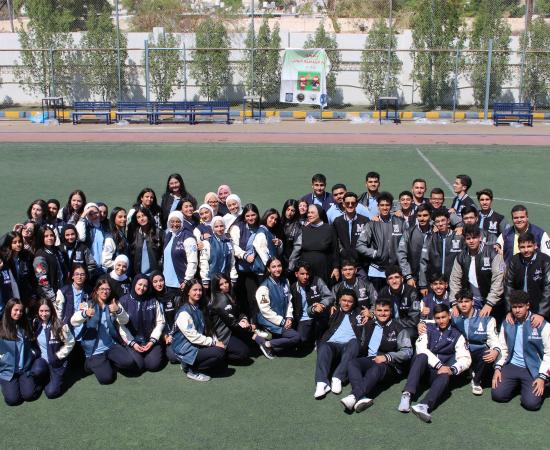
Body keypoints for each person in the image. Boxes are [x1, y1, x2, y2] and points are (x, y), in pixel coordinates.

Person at [397, 303, 471, 422]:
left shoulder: (457, 335)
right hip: (422, 370)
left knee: (446, 374)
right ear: (434, 318)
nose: (441, 321)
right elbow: (421, 348)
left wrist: (452, 369)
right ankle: (407, 395)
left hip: (436, 375)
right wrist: (439, 365)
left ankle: (424, 406)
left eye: (443, 317)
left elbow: (466, 359)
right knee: (422, 356)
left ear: (449, 316)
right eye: (438, 318)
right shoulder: (426, 327)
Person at [342, 297, 413, 412]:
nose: (382, 313)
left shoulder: (399, 328)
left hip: (391, 365)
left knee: (377, 367)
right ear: (374, 311)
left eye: (386, 310)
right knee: (353, 363)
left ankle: (354, 396)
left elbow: (407, 352)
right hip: (371, 359)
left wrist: (387, 357)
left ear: (391, 311)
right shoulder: (369, 324)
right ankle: (361, 398)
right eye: (379, 310)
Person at [70, 278, 137, 384]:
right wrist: (85, 314)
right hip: (95, 351)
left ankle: (109, 361)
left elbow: (125, 320)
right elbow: (73, 321)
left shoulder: (113, 304)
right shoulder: (88, 305)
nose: (105, 292)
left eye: (107, 289)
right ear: (96, 290)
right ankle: (89, 364)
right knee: (106, 378)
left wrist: (118, 310)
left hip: (111, 345)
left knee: (129, 363)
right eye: (102, 289)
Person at [492, 290, 550, 411]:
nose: (517, 310)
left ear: (527, 305)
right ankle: (518, 385)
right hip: (512, 365)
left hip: (533, 368)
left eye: (520, 307)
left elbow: (549, 353)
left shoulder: (542, 324)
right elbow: (503, 347)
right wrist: (498, 368)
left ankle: (531, 386)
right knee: (498, 395)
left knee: (531, 404)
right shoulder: (507, 322)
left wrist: (542, 377)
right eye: (514, 307)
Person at [171, 279, 226, 382]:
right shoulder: (184, 312)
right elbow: (193, 336)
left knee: (221, 359)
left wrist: (216, 341)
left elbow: (209, 329)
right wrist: (213, 343)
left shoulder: (200, 307)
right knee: (219, 353)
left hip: (197, 344)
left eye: (200, 290)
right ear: (188, 292)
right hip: (185, 348)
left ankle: (192, 364)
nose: (198, 293)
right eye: (195, 290)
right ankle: (189, 368)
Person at [313, 289, 363, 399]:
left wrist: (371, 314)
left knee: (355, 342)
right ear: (339, 300)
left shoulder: (360, 313)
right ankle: (322, 383)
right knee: (324, 345)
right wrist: (315, 308)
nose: (346, 303)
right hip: (332, 344)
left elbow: (376, 318)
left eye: (350, 301)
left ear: (354, 302)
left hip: (349, 345)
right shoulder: (333, 310)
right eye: (344, 300)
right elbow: (314, 313)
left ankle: (337, 378)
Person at [451, 289, 500, 395]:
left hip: (478, 350)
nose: (463, 305)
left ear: (472, 302)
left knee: (488, 353)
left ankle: (476, 381)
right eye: (460, 302)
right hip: (462, 350)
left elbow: (494, 339)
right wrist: (422, 323)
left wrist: (496, 350)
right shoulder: (454, 316)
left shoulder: (485, 317)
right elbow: (436, 321)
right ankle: (468, 370)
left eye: (466, 301)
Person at [449, 224, 504, 315]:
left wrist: (489, 303)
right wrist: (455, 303)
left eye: (474, 238)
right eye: (468, 238)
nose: (471, 241)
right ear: (465, 240)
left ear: (480, 237)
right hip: (472, 303)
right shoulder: (460, 257)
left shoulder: (493, 253)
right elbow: (455, 280)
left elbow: (498, 279)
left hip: (494, 304)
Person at [356, 192, 405, 291]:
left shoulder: (400, 222)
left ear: (391, 206)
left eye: (387, 205)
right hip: (377, 271)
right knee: (379, 299)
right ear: (378, 206)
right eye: (382, 205)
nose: (385, 208)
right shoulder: (371, 224)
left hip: (395, 271)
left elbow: (406, 245)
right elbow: (360, 245)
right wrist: (375, 253)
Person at [119, 275, 166, 373]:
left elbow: (160, 322)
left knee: (153, 365)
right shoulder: (124, 300)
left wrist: (152, 341)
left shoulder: (153, 300)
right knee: (138, 365)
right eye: (139, 284)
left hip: (150, 341)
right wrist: (132, 343)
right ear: (134, 284)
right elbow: (121, 326)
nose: (142, 288)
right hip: (133, 341)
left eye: (145, 286)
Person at [255, 257, 301, 358]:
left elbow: (289, 301)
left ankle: (265, 341)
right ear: (268, 269)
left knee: (279, 349)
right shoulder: (264, 288)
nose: (277, 269)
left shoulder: (285, 281)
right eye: (273, 267)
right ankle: (266, 343)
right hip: (269, 322)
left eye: (279, 266)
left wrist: (289, 317)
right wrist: (282, 322)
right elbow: (265, 311)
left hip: (284, 321)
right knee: (296, 337)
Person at [209, 273, 259, 363]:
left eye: (226, 282)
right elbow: (232, 323)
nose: (225, 285)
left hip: (233, 329)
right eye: (221, 284)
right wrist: (249, 328)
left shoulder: (229, 294)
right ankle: (221, 354)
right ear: (216, 287)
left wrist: (244, 319)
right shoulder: (221, 300)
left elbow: (239, 312)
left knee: (253, 344)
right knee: (243, 353)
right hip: (224, 335)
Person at [0, 298, 42, 406]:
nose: (19, 313)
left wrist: (33, 354)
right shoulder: (1, 328)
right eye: (16, 310)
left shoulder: (25, 325)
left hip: (24, 368)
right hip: (8, 370)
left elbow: (33, 343)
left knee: (29, 395)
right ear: (9, 310)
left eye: (21, 311)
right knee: (12, 400)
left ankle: (34, 382)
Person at [32, 298, 75, 399]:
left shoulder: (59, 325)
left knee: (51, 393)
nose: (44, 314)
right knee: (36, 371)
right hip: (42, 360)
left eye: (47, 311)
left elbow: (70, 342)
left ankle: (56, 377)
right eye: (41, 311)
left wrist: (58, 355)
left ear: (51, 310)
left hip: (56, 362)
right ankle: (44, 376)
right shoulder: (36, 322)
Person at [504, 232, 550, 322]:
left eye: (529, 246)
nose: (526, 250)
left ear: (535, 246)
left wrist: (541, 313)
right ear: (518, 247)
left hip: (540, 309)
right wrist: (510, 310)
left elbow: (548, 288)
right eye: (522, 247)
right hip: (519, 308)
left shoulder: (545, 260)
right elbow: (509, 286)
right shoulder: (514, 260)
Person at [289, 204, 339, 286]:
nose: (309, 215)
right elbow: (297, 250)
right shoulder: (303, 229)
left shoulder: (329, 229)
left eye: (312, 212)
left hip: (324, 270)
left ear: (319, 213)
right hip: (306, 272)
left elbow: (335, 250)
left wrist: (336, 268)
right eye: (308, 212)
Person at [418, 208, 464, 296]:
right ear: (434, 224)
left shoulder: (458, 237)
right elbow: (423, 262)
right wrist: (423, 285)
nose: (440, 224)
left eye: (443, 220)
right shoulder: (430, 238)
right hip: (436, 284)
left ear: (448, 221)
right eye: (437, 221)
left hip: (455, 284)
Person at [290, 261, 333, 348]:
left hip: (319, 316)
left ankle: (319, 339)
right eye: (302, 274)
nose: (305, 277)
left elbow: (329, 296)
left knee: (324, 339)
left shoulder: (317, 281)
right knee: (302, 340)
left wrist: (322, 304)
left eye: (307, 274)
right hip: (303, 319)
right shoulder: (293, 288)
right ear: (296, 274)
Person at [230, 204, 262, 321]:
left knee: (255, 298)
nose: (250, 218)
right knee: (241, 298)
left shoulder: (261, 228)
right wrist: (245, 255)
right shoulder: (237, 228)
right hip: (241, 270)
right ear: (244, 217)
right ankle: (244, 321)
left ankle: (255, 322)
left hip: (257, 270)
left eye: (253, 215)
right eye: (248, 216)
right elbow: (234, 246)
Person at [149, 270, 182, 364]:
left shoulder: (173, 295)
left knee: (175, 356)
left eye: (161, 280)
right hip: (159, 335)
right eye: (155, 282)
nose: (159, 284)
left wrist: (172, 334)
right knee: (170, 357)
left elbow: (179, 317)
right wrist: (164, 336)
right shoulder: (149, 299)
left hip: (174, 333)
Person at [377, 266, 420, 338]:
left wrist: (392, 322)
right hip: (387, 325)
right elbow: (379, 313)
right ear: (387, 281)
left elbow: (414, 320)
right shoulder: (383, 293)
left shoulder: (412, 292)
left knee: (409, 334)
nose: (394, 281)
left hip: (406, 326)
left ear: (402, 279)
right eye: (390, 278)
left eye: (396, 277)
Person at [397, 204, 432, 289]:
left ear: (430, 216)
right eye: (419, 216)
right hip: (412, 279)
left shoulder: (435, 232)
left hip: (431, 280)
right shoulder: (409, 232)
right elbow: (401, 254)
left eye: (425, 215)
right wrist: (408, 276)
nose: (422, 218)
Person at [162, 211, 198, 291]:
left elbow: (193, 261)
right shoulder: (169, 236)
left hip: (181, 283)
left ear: (182, 222)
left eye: (178, 221)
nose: (175, 224)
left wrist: (187, 280)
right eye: (172, 221)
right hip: (167, 282)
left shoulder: (188, 237)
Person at [199, 216, 237, 288]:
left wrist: (233, 277)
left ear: (224, 227)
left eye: (221, 226)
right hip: (213, 279)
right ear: (213, 228)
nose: (219, 229)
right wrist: (205, 279)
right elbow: (204, 262)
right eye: (216, 227)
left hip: (225, 279)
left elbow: (232, 261)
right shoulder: (208, 242)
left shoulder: (229, 241)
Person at [33, 227, 68, 303]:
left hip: (62, 291)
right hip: (50, 297)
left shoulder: (57, 250)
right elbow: (42, 280)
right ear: (41, 238)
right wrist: (52, 298)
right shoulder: (40, 256)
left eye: (51, 235)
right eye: (46, 236)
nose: (50, 238)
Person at [333, 192, 370, 265]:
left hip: (362, 263)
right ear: (343, 204)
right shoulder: (337, 221)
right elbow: (335, 240)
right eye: (347, 203)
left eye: (353, 203)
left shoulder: (365, 220)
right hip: (344, 264)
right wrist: (341, 250)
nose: (350, 205)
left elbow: (369, 241)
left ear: (356, 204)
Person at [0, 231, 35, 306]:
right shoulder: (4, 259)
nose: (18, 244)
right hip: (9, 299)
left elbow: (32, 278)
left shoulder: (26, 257)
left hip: (25, 298)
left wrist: (33, 296)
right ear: (9, 243)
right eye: (14, 242)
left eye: (19, 241)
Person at [129, 206, 163, 277]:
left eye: (143, 215)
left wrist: (160, 265)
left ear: (148, 216)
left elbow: (163, 253)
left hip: (155, 274)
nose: (142, 219)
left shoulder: (158, 232)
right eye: (138, 217)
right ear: (137, 220)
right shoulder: (134, 234)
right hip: (139, 275)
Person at [75, 203, 108, 275]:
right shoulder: (85, 227)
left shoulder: (104, 228)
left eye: (96, 213)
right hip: (90, 266)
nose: (94, 215)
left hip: (103, 267)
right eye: (90, 214)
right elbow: (81, 237)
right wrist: (83, 216)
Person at [102, 207, 130, 272]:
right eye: (120, 217)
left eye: (125, 217)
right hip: (114, 273)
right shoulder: (110, 238)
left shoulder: (121, 234)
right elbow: (106, 261)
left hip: (123, 273)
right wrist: (121, 266)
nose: (123, 219)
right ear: (113, 218)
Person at [280, 199, 302, 267]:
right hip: (278, 259)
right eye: (288, 209)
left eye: (292, 211)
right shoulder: (278, 222)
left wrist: (291, 264)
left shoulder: (298, 226)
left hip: (291, 260)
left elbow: (297, 247)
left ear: (296, 212)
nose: (289, 213)